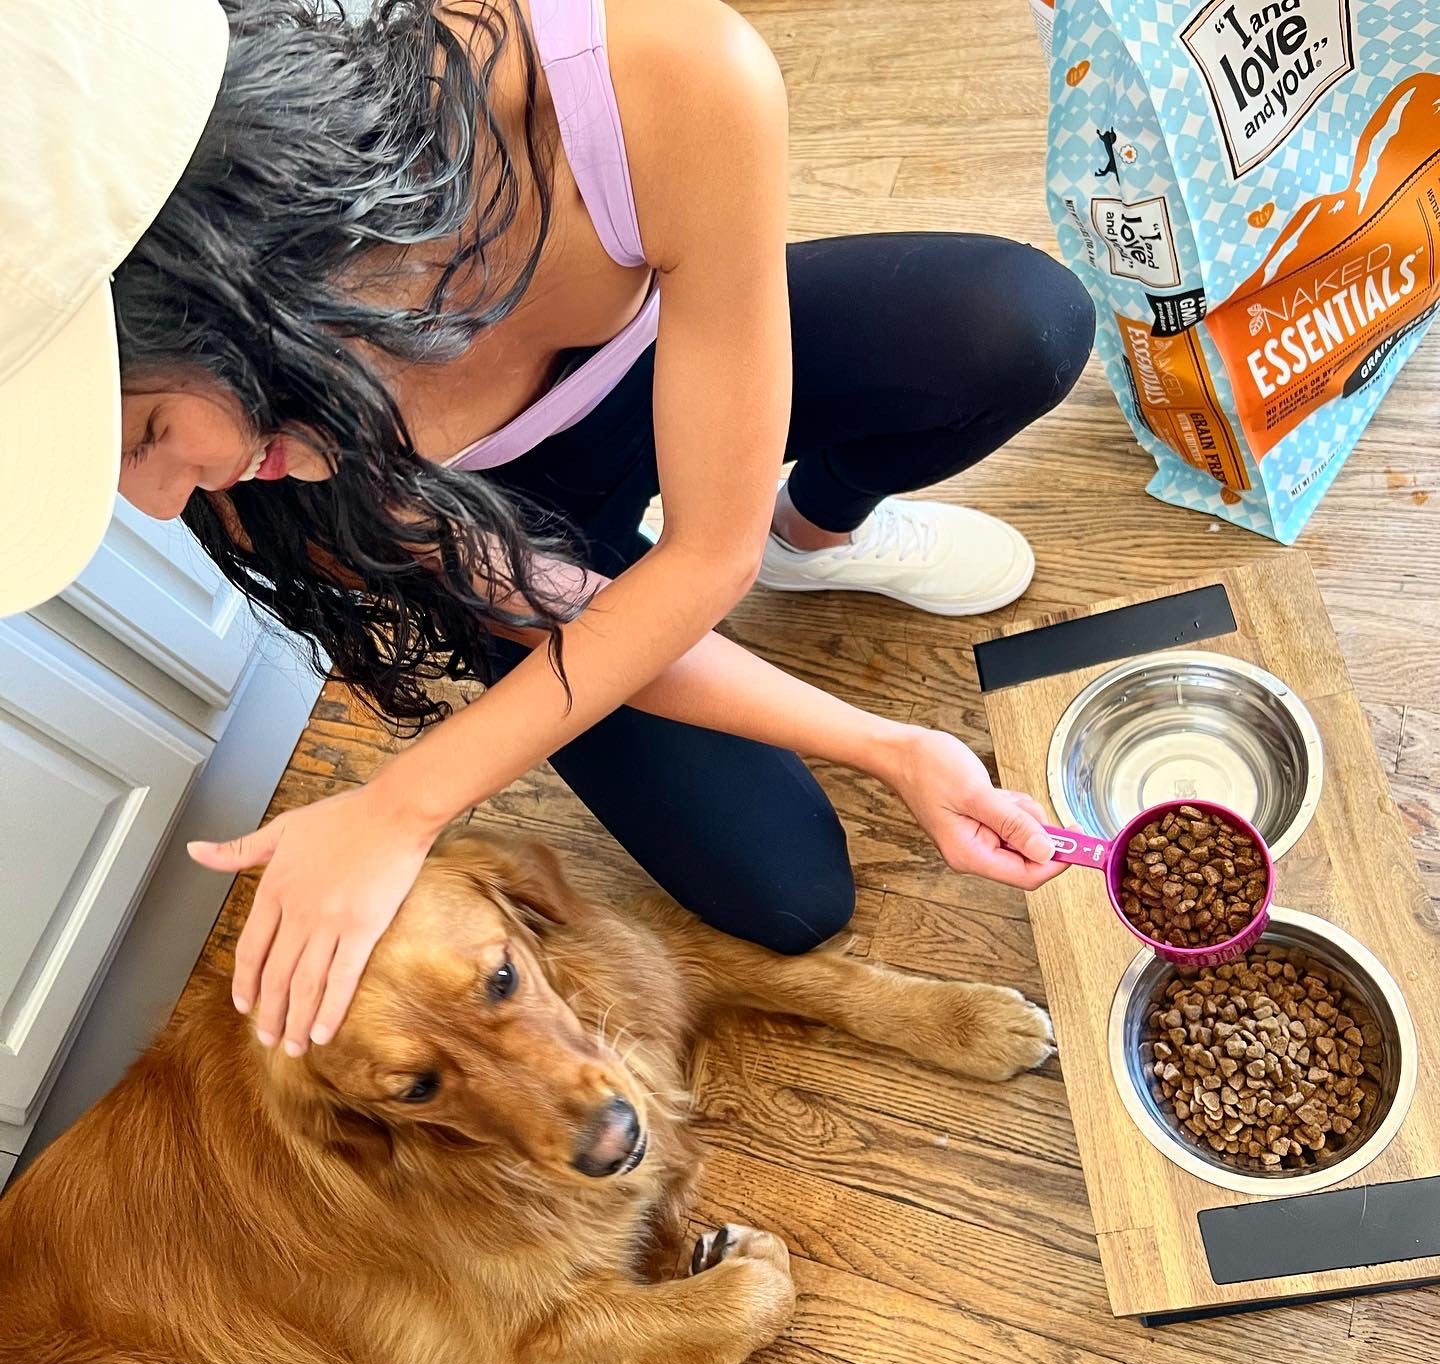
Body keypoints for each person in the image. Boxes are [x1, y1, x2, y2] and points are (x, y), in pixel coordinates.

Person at [0, 0, 1094, 1062]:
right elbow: (576, 611)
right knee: (788, 893)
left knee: (1016, 327)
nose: (156, 502)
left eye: (147, 431)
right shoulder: (271, 457)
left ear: (239, 268)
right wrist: (891, 747)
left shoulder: (640, 77)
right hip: (515, 525)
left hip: (660, 374)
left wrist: (406, 804)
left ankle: (808, 537)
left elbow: (707, 560)